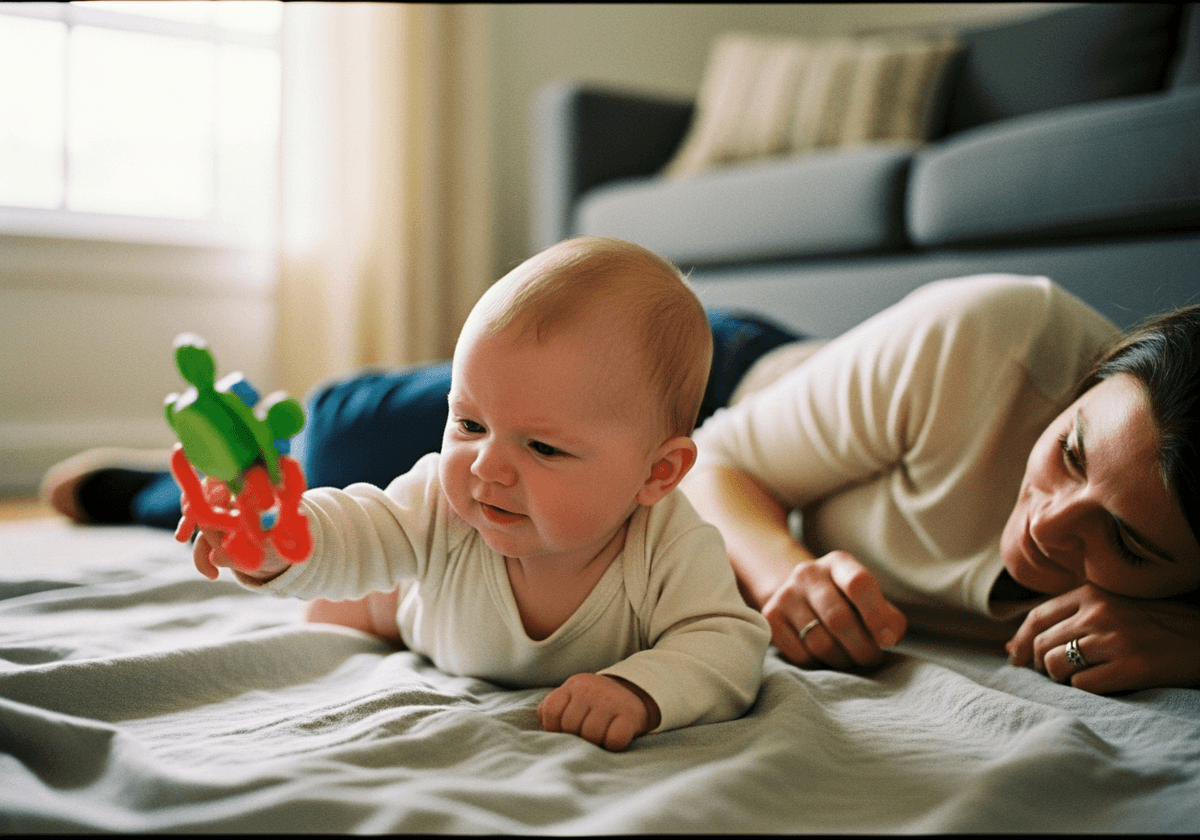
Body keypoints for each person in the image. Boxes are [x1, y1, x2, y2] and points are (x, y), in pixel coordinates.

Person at [177, 236, 771, 752]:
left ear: (657, 474)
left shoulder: (669, 542)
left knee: (370, 581)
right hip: (425, 611)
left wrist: (641, 691)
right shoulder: (441, 499)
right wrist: (276, 537)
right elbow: (363, 524)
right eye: (469, 424)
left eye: (542, 448)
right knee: (345, 600)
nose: (487, 467)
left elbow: (728, 644)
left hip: (455, 612)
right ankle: (377, 601)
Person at [677, 274, 1200, 695]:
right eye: (1070, 454)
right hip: (719, 375)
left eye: (1126, 543)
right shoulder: (992, 336)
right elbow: (711, 459)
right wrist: (783, 577)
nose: (1046, 525)